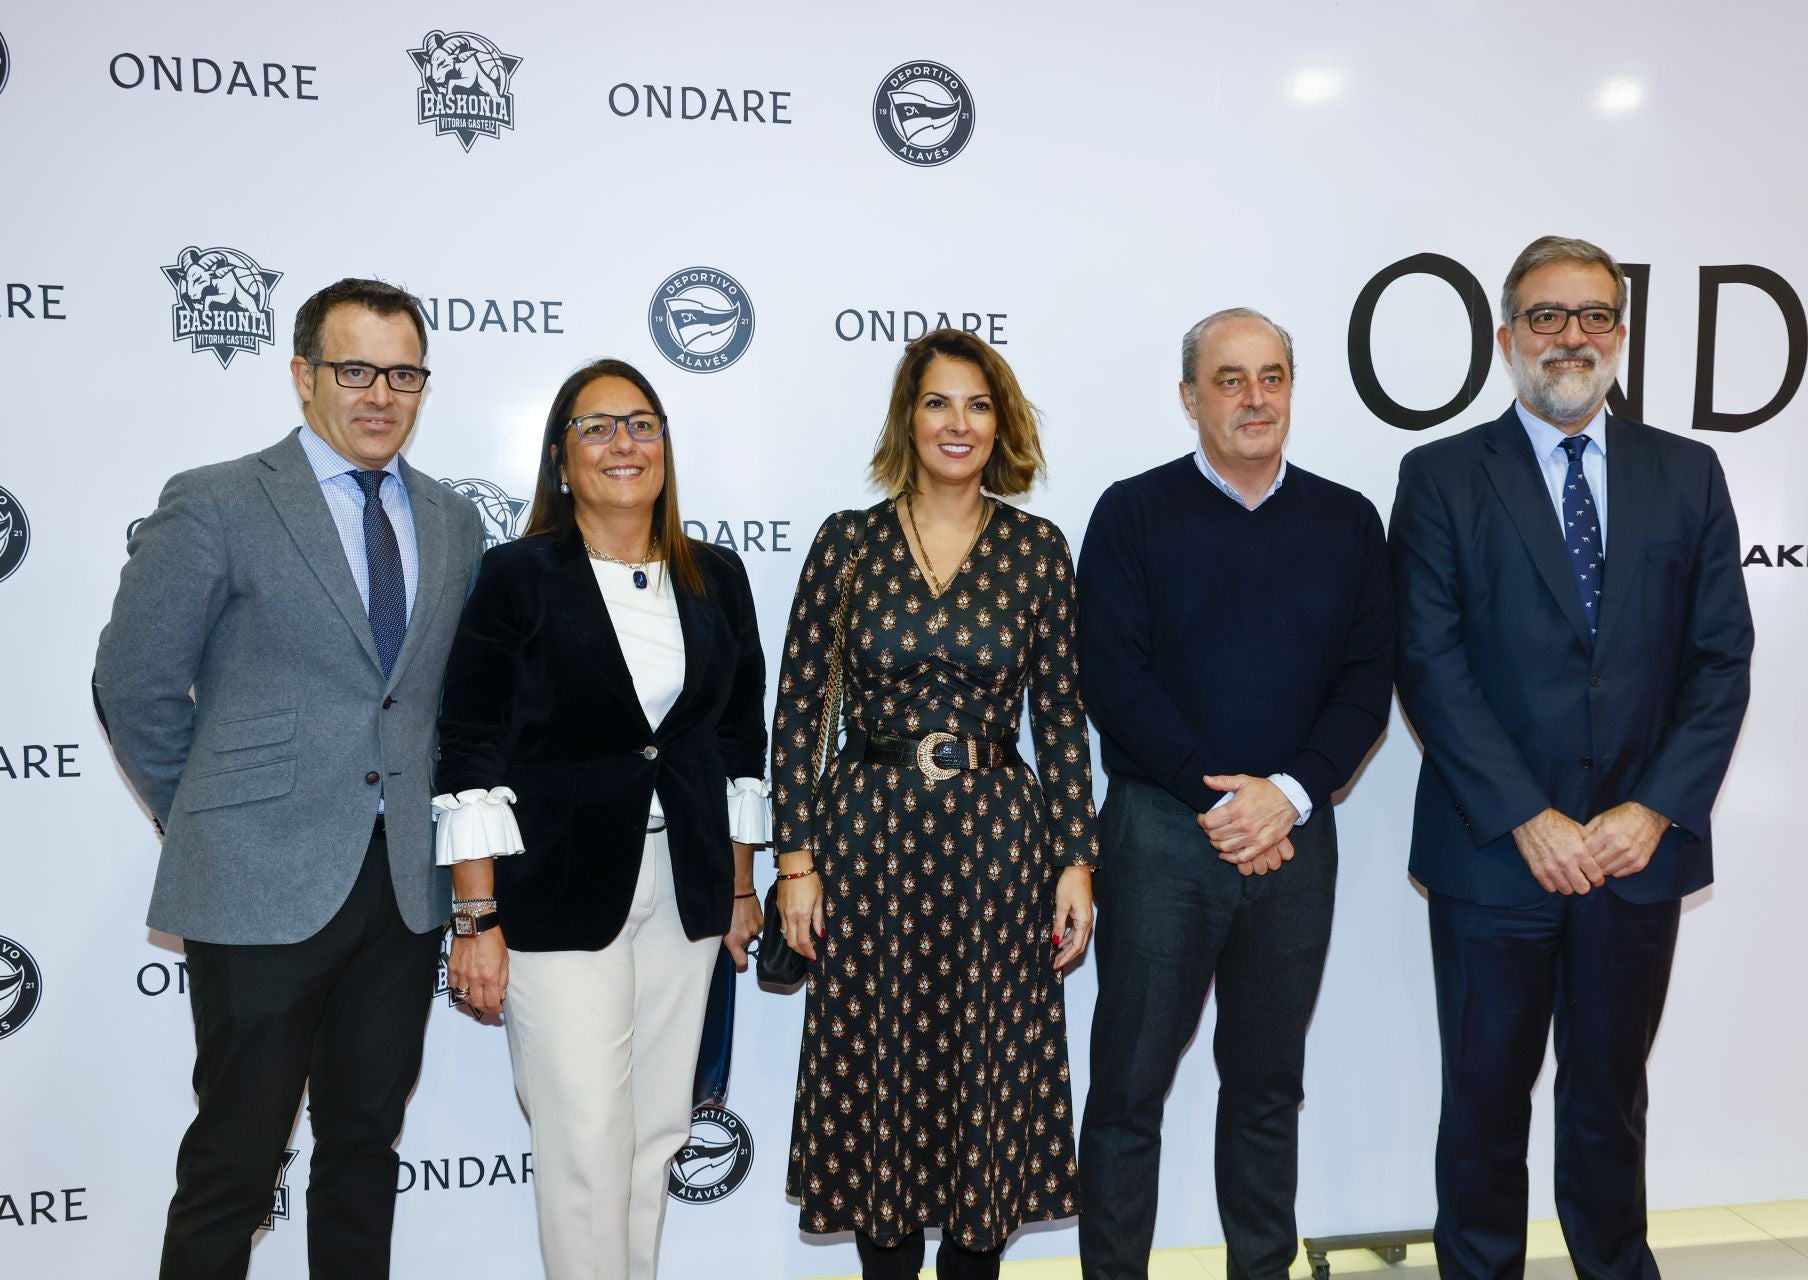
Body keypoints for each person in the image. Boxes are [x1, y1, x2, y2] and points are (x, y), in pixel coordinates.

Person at [92, 278, 485, 1279]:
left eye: (403, 372)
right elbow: (133, 683)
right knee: (236, 1155)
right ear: (304, 374)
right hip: (255, 885)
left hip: (402, 890)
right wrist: (212, 817)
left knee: (362, 1151)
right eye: (354, 369)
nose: (379, 393)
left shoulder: (450, 520)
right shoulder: (218, 498)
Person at [1389, 236, 1754, 1279]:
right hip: (1495, 856)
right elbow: (1430, 658)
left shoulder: (1688, 472)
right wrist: (1527, 816)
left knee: (1609, 1103)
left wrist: (1652, 811)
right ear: (1506, 337)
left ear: (1622, 337)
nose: (1572, 336)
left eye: (1595, 315)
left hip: (1635, 859)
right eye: (1547, 316)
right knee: (1485, 1107)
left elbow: (1720, 658)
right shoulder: (1443, 474)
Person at [1075, 307, 1395, 1279]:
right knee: (1129, 1088)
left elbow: (1367, 677)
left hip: (1293, 835)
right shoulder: (1133, 511)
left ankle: (1262, 1266)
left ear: (1292, 389)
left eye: (1272, 377)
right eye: (1230, 379)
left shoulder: (1347, 519)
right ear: (1189, 397)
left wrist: (1288, 792)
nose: (1255, 397)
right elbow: (1113, 676)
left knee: (1267, 1085)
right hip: (1162, 831)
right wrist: (1224, 801)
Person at [772, 328, 1099, 1279]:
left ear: (1003, 424)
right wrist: (795, 863)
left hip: (1000, 850)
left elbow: (1064, 721)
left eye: (979, 404)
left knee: (983, 1087)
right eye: (938, 404)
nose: (959, 424)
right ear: (906, 420)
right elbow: (797, 717)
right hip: (866, 846)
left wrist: (1076, 860)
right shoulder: (848, 543)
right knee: (881, 1078)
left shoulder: (1038, 549)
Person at [433, 358, 769, 1279]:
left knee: (656, 1134)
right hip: (554, 893)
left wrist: (742, 883)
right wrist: (476, 916)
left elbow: (741, 741)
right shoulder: (517, 577)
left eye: (642, 424)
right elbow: (470, 747)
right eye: (597, 427)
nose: (624, 443)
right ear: (559, 459)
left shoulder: (718, 578)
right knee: (584, 1136)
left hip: (687, 889)